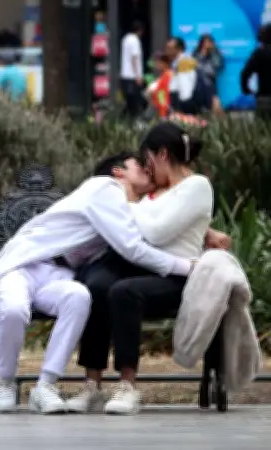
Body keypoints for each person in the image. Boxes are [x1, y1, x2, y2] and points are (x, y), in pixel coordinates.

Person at [0, 150, 198, 414]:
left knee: (80, 297)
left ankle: (45, 386)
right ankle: (5, 382)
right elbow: (133, 248)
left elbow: (154, 230)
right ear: (118, 172)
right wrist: (188, 268)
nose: (146, 169)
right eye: (138, 166)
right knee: (15, 309)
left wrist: (207, 232)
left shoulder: (128, 209)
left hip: (59, 275)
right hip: (24, 265)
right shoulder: (104, 188)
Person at [67, 122, 215, 416]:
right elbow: (141, 227)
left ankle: (127, 386)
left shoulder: (197, 186)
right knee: (97, 287)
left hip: (177, 276)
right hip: (144, 268)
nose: (147, 171)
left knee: (124, 291)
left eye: (147, 161)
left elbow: (157, 232)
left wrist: (126, 201)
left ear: (161, 155)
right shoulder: (157, 192)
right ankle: (92, 386)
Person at [241, 24, 271, 120]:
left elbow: (245, 73)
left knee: (263, 130)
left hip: (264, 97)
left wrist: (246, 89)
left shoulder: (259, 53)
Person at [120, 21, 145, 118]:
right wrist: (138, 75)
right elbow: (135, 57)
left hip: (125, 76)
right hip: (132, 76)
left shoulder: (126, 39)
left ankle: (124, 119)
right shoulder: (135, 40)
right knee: (135, 102)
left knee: (129, 101)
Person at [147, 52, 174, 118]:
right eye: (156, 62)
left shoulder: (168, 75)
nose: (156, 64)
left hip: (163, 111)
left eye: (158, 62)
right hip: (158, 109)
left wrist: (163, 113)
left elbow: (162, 95)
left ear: (165, 63)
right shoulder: (163, 75)